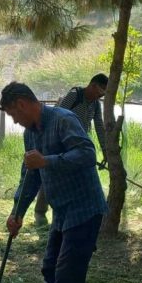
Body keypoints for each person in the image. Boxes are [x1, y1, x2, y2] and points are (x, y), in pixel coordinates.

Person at [0, 81, 108, 283]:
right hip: (62, 213)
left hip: (85, 210)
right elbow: (30, 178)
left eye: (12, 114)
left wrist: (48, 160)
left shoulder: (63, 120)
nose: (14, 120)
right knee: (50, 270)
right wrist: (16, 213)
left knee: (67, 276)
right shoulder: (29, 134)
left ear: (22, 104)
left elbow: (86, 153)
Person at [33, 73, 109, 224]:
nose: (100, 96)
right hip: (60, 142)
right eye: (100, 92)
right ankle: (40, 212)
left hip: (78, 146)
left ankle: (71, 212)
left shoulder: (95, 104)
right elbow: (56, 116)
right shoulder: (74, 95)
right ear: (93, 86)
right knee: (52, 175)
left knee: (77, 178)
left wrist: (105, 149)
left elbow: (99, 125)